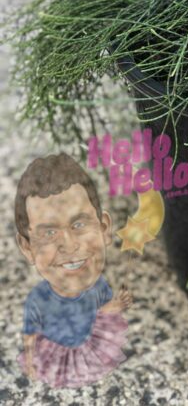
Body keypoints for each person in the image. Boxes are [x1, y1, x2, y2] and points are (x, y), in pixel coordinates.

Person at [15, 152, 132, 388]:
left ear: (104, 229)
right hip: (56, 350)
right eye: (49, 232)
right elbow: (30, 334)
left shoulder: (99, 286)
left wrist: (116, 306)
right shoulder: (37, 299)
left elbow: (103, 314)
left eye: (79, 224)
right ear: (27, 247)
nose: (69, 245)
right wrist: (29, 359)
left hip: (88, 346)